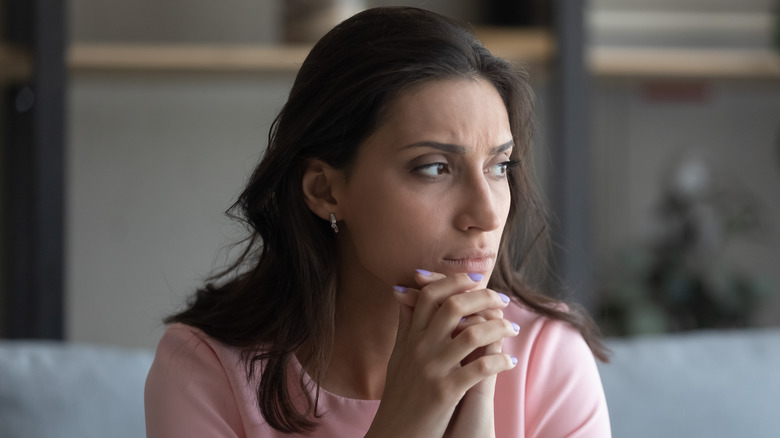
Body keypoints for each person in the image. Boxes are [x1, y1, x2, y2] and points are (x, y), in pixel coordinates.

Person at [145, 6, 611, 437]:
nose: (487, 213)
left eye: (498, 167)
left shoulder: (546, 355)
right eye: (434, 168)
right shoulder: (205, 367)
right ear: (325, 190)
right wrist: (408, 421)